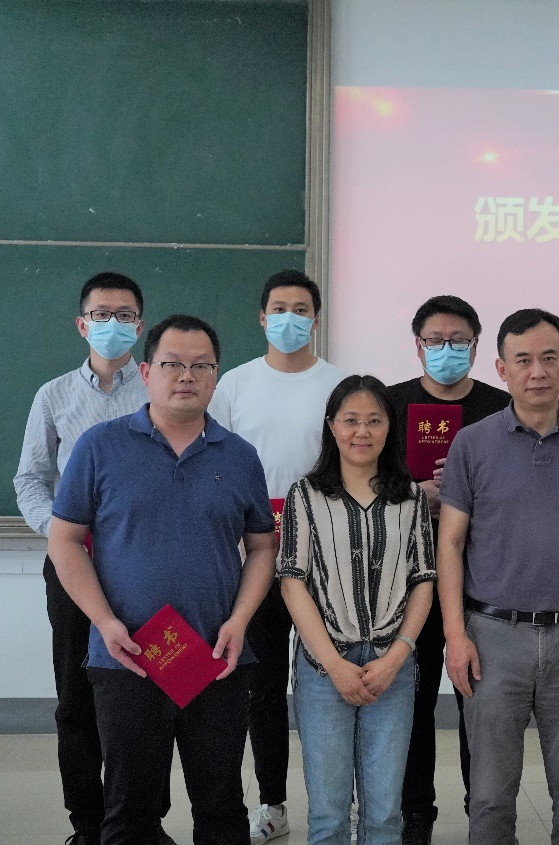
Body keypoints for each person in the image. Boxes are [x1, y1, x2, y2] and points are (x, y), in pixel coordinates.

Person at [48, 314, 278, 845]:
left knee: (221, 807)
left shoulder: (240, 456)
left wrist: (241, 621)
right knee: (130, 810)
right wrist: (104, 622)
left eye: (202, 366)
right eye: (173, 364)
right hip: (127, 656)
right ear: (148, 372)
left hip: (216, 657)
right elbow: (65, 540)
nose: (187, 376)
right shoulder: (99, 446)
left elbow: (262, 546)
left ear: (216, 377)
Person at [437, 308, 559, 845]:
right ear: (501, 369)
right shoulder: (472, 443)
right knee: (490, 795)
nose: (536, 371)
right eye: (523, 360)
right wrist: (455, 635)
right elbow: (449, 543)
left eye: (548, 358)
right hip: (492, 637)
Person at [14, 271, 175, 845]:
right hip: (72, 570)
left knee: (149, 695)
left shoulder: (160, 389)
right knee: (77, 698)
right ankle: (87, 824)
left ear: (141, 325)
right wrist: (61, 533)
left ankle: (143, 820)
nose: (113, 324)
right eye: (102, 315)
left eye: (124, 315)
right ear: (82, 325)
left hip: (145, 570)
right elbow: (30, 480)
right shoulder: (54, 395)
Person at [208, 268, 346, 843]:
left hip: (328, 557)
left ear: (316, 319)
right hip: (255, 555)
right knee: (261, 687)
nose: (291, 319)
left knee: (331, 680)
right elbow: (213, 467)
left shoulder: (341, 386)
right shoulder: (234, 385)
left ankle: (336, 806)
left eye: (302, 309)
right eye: (280, 309)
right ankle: (272, 803)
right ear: (263, 318)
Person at [279, 375, 437, 845]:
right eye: (350, 420)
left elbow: (423, 581)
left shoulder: (410, 496)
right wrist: (334, 665)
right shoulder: (305, 495)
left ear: (390, 427)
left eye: (374, 420)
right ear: (332, 426)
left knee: (385, 813)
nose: (361, 432)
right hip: (323, 668)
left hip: (392, 666)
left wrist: (396, 657)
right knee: (328, 814)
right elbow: (292, 582)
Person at [385, 295, 510, 845]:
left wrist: (462, 495)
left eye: (459, 341)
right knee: (410, 704)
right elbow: (365, 479)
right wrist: (417, 493)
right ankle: (415, 816)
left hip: (482, 578)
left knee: (478, 702)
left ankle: (481, 812)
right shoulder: (389, 404)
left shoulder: (501, 407)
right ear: (418, 346)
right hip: (404, 576)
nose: (446, 350)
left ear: (477, 347)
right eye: (435, 341)